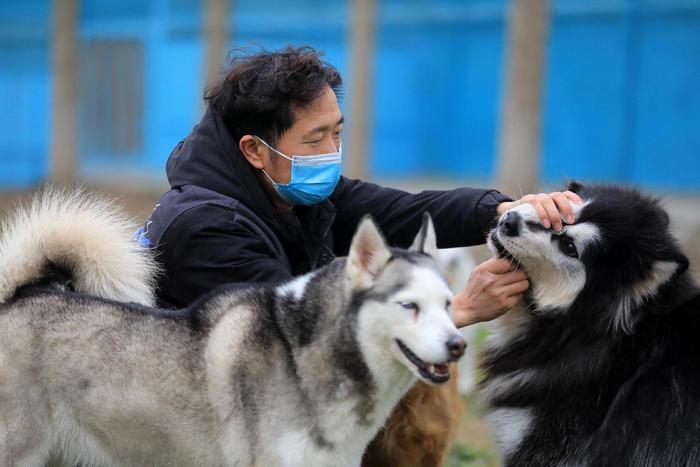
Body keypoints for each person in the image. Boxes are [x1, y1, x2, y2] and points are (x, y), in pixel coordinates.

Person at [137, 45, 580, 464]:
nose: (332, 153)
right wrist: (454, 312)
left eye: (338, 132)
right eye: (314, 140)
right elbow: (295, 345)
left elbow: (407, 210)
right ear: (254, 150)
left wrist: (507, 209)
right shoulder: (206, 229)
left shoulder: (289, 193)